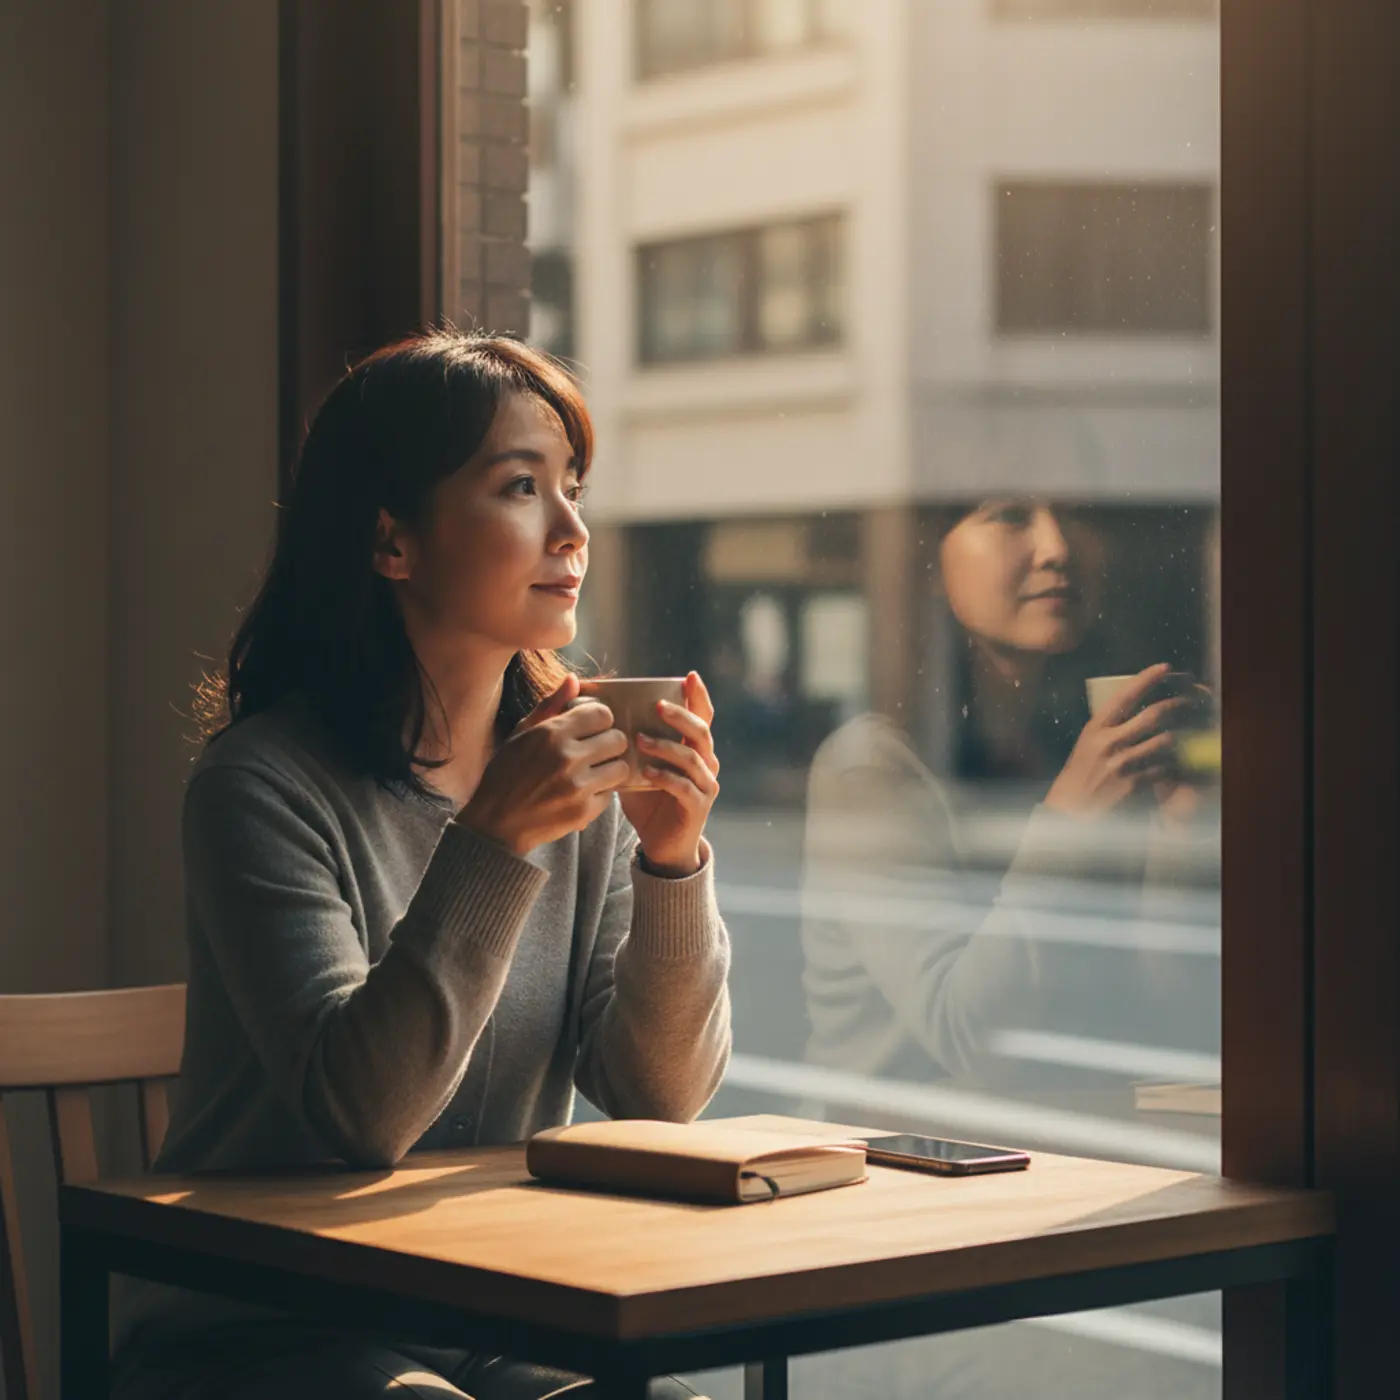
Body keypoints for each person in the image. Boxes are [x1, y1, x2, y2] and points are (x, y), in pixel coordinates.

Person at [110, 331, 731, 1400]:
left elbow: (659, 1097)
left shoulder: (568, 776)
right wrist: (492, 842)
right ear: (392, 541)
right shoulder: (260, 786)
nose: (573, 530)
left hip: (484, 1311)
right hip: (257, 1325)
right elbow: (362, 1112)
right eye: (522, 487)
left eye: (573, 489)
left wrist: (672, 860)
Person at [802, 496, 1211, 1090]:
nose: (1058, 549)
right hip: (895, 1142)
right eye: (1009, 515)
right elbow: (970, 1038)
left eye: (1073, 514)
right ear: (929, 557)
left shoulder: (1077, 740)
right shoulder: (871, 765)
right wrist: (1071, 821)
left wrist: (1185, 819)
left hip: (1067, 1130)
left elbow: (1166, 1005)